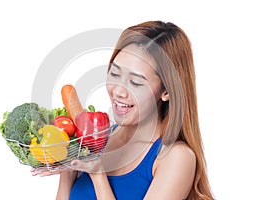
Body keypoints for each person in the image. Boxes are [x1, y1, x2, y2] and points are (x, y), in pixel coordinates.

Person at [32, 20, 214, 200]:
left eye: (135, 82)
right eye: (115, 73)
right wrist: (68, 169)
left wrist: (98, 175)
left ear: (166, 91)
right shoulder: (96, 140)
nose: (118, 91)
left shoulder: (175, 158)